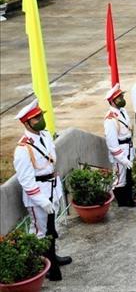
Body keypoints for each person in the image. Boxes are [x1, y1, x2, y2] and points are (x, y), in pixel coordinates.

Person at [13, 100, 72, 281]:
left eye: (41, 115)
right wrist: (41, 200)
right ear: (26, 123)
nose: (40, 119)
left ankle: (52, 257)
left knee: (51, 229)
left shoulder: (45, 135)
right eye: (36, 118)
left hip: (52, 188)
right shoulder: (23, 148)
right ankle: (44, 266)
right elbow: (26, 181)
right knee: (40, 232)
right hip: (38, 195)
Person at [104, 84, 135, 207]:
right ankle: (122, 204)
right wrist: (123, 159)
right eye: (119, 97)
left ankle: (129, 201)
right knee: (119, 181)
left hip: (128, 148)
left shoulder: (122, 111)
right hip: (120, 153)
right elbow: (112, 145)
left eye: (121, 96)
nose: (122, 98)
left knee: (128, 179)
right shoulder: (110, 119)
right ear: (112, 101)